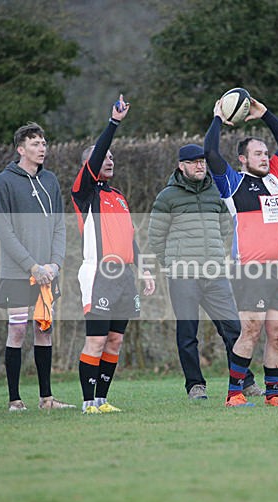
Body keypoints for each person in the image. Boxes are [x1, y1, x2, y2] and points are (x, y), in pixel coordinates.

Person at [204, 94, 278, 407]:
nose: (264, 157)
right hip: (250, 269)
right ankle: (234, 394)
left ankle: (274, 395)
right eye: (257, 153)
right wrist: (218, 116)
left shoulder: (275, 178)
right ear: (242, 159)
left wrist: (265, 113)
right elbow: (210, 152)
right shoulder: (232, 183)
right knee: (252, 329)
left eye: (265, 153)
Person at [147, 143, 263, 400]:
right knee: (188, 334)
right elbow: (155, 237)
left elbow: (226, 227)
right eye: (194, 162)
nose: (200, 166)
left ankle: (245, 381)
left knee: (233, 329)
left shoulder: (215, 191)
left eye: (202, 161)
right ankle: (195, 386)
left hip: (215, 275)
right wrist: (171, 265)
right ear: (182, 166)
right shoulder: (168, 196)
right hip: (183, 277)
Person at [71, 95, 155, 414]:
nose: (109, 160)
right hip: (99, 274)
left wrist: (145, 270)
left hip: (125, 277)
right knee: (95, 340)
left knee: (115, 341)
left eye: (112, 157)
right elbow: (95, 160)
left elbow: (131, 239)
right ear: (88, 167)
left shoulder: (118, 197)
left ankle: (103, 401)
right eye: (102, 157)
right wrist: (114, 123)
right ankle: (88, 402)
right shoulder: (85, 192)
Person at [0, 122, 73, 412]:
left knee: (44, 330)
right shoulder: (4, 181)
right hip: (18, 274)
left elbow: (60, 226)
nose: (42, 149)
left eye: (44, 143)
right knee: (17, 332)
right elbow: (4, 231)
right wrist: (32, 266)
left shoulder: (50, 180)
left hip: (47, 275)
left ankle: (46, 399)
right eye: (36, 144)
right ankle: (15, 400)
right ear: (20, 149)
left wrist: (55, 264)